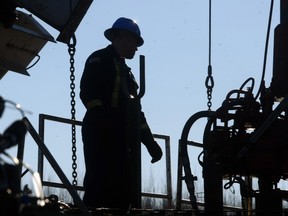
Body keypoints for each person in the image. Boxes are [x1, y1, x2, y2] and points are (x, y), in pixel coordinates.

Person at [80, 17, 163, 209]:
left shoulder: (128, 75)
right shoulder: (98, 59)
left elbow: (137, 114)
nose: (136, 48)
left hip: (120, 135)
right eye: (135, 42)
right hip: (98, 131)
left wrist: (149, 141)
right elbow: (88, 91)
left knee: (123, 186)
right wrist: (101, 117)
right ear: (122, 37)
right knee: (98, 180)